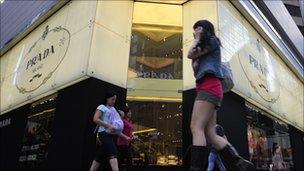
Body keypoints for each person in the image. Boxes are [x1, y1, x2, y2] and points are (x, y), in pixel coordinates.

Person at [187, 20, 255, 171]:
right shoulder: (207, 47)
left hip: (209, 86)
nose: (195, 32)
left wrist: (196, 39)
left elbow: (189, 54)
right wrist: (195, 67)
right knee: (210, 133)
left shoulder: (211, 41)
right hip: (209, 87)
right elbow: (194, 63)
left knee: (196, 127)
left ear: (204, 29)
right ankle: (240, 163)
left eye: (197, 28)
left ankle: (196, 168)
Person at [90, 92, 122, 171]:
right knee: (113, 151)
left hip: (110, 134)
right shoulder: (102, 107)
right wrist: (109, 126)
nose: (114, 101)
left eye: (115, 100)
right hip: (103, 133)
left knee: (100, 155)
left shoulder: (112, 109)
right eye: (112, 99)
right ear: (107, 98)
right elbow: (95, 119)